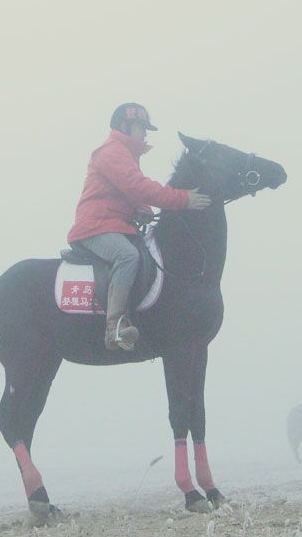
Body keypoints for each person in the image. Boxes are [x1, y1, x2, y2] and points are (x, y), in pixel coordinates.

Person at [68, 104, 210, 351]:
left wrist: (143, 209)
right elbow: (137, 186)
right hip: (95, 227)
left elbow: (132, 193)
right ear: (124, 126)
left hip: (113, 225)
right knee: (128, 256)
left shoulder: (125, 154)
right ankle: (114, 329)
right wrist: (182, 199)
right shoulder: (112, 152)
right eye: (141, 127)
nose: (145, 134)